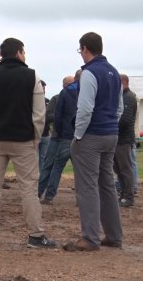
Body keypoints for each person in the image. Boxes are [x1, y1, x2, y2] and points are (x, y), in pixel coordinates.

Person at [0, 37, 56, 248]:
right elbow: (38, 114)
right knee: (28, 188)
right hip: (23, 139)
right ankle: (35, 235)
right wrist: (35, 138)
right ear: (18, 53)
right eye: (23, 52)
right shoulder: (32, 76)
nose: (25, 55)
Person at [64, 32, 124, 251]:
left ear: (85, 48)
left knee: (87, 187)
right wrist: (110, 124)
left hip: (91, 135)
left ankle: (89, 237)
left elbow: (85, 108)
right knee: (107, 185)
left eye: (80, 50)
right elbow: (119, 108)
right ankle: (114, 235)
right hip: (111, 134)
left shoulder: (89, 73)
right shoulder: (113, 72)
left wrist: (78, 135)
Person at [38, 74, 77, 205]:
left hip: (66, 136)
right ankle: (39, 192)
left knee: (58, 166)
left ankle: (49, 195)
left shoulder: (72, 95)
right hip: (58, 136)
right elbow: (48, 116)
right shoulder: (56, 99)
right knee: (49, 165)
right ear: (64, 85)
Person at [113, 74, 137, 207]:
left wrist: (110, 126)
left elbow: (125, 120)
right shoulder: (123, 96)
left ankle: (129, 196)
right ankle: (123, 193)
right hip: (118, 139)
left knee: (125, 168)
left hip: (123, 139)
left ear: (123, 82)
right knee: (118, 168)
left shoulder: (128, 98)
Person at [38, 81, 50, 172]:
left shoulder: (47, 101)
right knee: (33, 158)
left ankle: (41, 179)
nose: (43, 90)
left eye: (44, 88)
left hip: (45, 134)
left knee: (43, 158)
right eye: (42, 88)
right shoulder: (30, 101)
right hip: (34, 134)